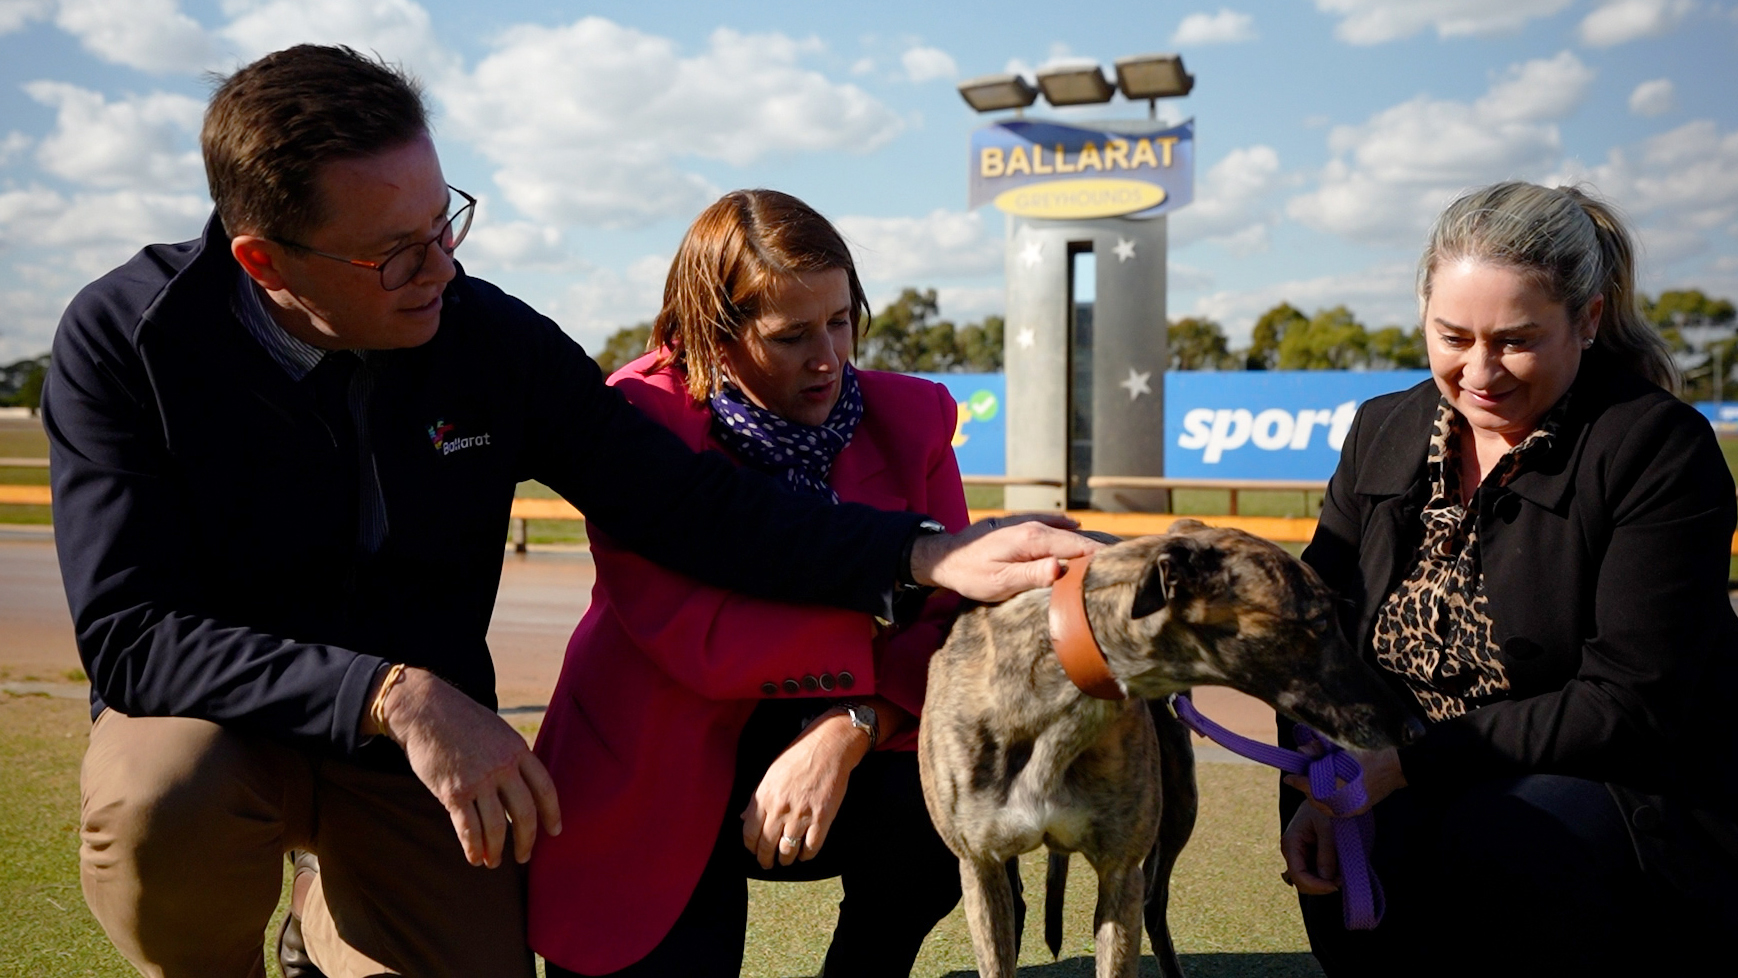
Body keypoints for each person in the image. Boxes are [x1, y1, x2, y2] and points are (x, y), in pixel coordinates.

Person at [45, 46, 1096, 978]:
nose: (441, 268)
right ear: (264, 261)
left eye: (442, 221)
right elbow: (134, 639)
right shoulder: (124, 341)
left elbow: (684, 509)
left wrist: (922, 554)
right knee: (162, 795)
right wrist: (394, 693)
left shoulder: (485, 334)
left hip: (420, 758)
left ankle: (327, 910)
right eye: (394, 253)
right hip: (235, 729)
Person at [1280, 181, 1738, 977]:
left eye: (1516, 341)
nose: (1480, 371)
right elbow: (1309, 632)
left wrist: (1409, 762)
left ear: (1588, 321)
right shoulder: (1381, 429)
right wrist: (1321, 772)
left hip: (1603, 801)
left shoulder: (1658, 448)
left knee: (1506, 831)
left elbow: (1628, 705)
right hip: (1402, 779)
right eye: (1452, 336)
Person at [529, 189, 970, 977]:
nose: (830, 358)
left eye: (840, 320)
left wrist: (849, 725)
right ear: (714, 337)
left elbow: (947, 628)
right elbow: (693, 628)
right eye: (791, 336)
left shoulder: (915, 419)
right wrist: (883, 617)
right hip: (655, 747)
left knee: (945, 782)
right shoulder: (638, 417)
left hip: (843, 734)